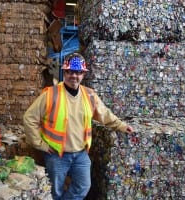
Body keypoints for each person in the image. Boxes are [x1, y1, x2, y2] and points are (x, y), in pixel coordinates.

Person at [23, 52, 134, 200]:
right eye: (70, 72)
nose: (74, 76)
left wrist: (121, 126)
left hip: (80, 154)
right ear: (64, 72)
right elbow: (29, 118)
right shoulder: (51, 94)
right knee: (55, 191)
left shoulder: (89, 95)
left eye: (78, 73)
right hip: (56, 155)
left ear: (83, 75)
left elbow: (104, 114)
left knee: (83, 186)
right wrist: (39, 144)